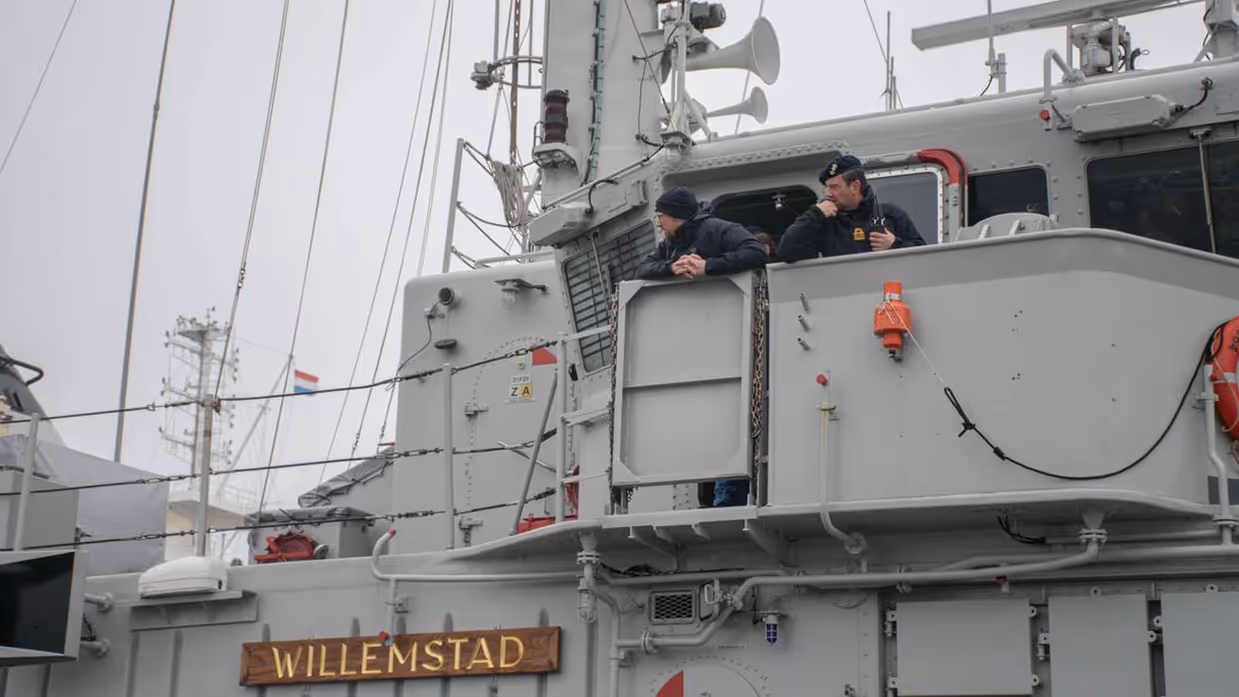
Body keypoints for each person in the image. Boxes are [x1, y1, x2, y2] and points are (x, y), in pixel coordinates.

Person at [777, 154, 926, 262]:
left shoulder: (890, 214)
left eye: (834, 187)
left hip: (886, 300)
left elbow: (924, 257)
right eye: (827, 187)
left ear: (855, 186)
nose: (828, 193)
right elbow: (787, 253)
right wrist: (815, 214)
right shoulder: (823, 221)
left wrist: (895, 244)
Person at [636, 187, 768, 280]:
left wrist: (707, 266)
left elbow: (756, 252)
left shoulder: (718, 229)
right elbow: (642, 269)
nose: (658, 223)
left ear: (676, 216)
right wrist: (671, 267)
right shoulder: (669, 243)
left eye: (660, 216)